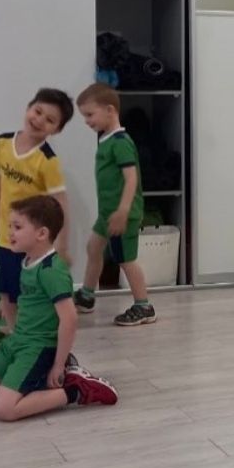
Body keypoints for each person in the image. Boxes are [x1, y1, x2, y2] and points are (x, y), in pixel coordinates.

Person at [0, 195, 117, 421]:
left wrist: (57, 364)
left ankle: (75, 390)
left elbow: (70, 319)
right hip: (19, 340)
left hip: (38, 347)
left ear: (41, 234)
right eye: (10, 226)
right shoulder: (27, 261)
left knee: (3, 410)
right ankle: (39, 377)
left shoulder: (52, 271)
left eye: (17, 227)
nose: (9, 233)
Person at [72, 83, 155, 326]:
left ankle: (144, 306)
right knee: (93, 247)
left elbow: (131, 179)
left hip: (122, 215)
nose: (87, 121)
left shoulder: (120, 142)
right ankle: (87, 295)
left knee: (125, 259)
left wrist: (123, 211)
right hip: (108, 213)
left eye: (90, 114)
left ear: (110, 110)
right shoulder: (107, 140)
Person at [0, 88, 74, 328]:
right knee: (6, 291)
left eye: (49, 120)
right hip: (6, 237)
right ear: (28, 108)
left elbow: (60, 203)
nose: (39, 120)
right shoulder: (1, 143)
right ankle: (16, 334)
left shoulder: (47, 161)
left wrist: (62, 245)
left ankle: (34, 333)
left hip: (33, 241)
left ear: (56, 130)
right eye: (37, 111)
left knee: (30, 293)